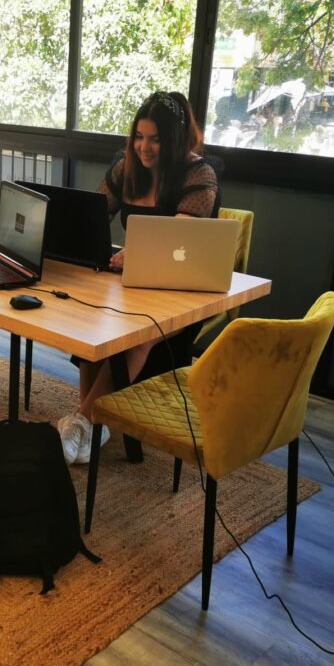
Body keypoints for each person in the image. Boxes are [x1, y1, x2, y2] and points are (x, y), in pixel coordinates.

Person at [57, 91, 220, 465]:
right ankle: (92, 424)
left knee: (139, 335)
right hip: (133, 280)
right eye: (139, 137)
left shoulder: (199, 174)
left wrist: (138, 252)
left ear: (176, 140)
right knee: (92, 320)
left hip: (183, 289)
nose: (144, 148)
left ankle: (83, 421)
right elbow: (94, 216)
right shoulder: (126, 168)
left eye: (155, 139)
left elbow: (178, 236)